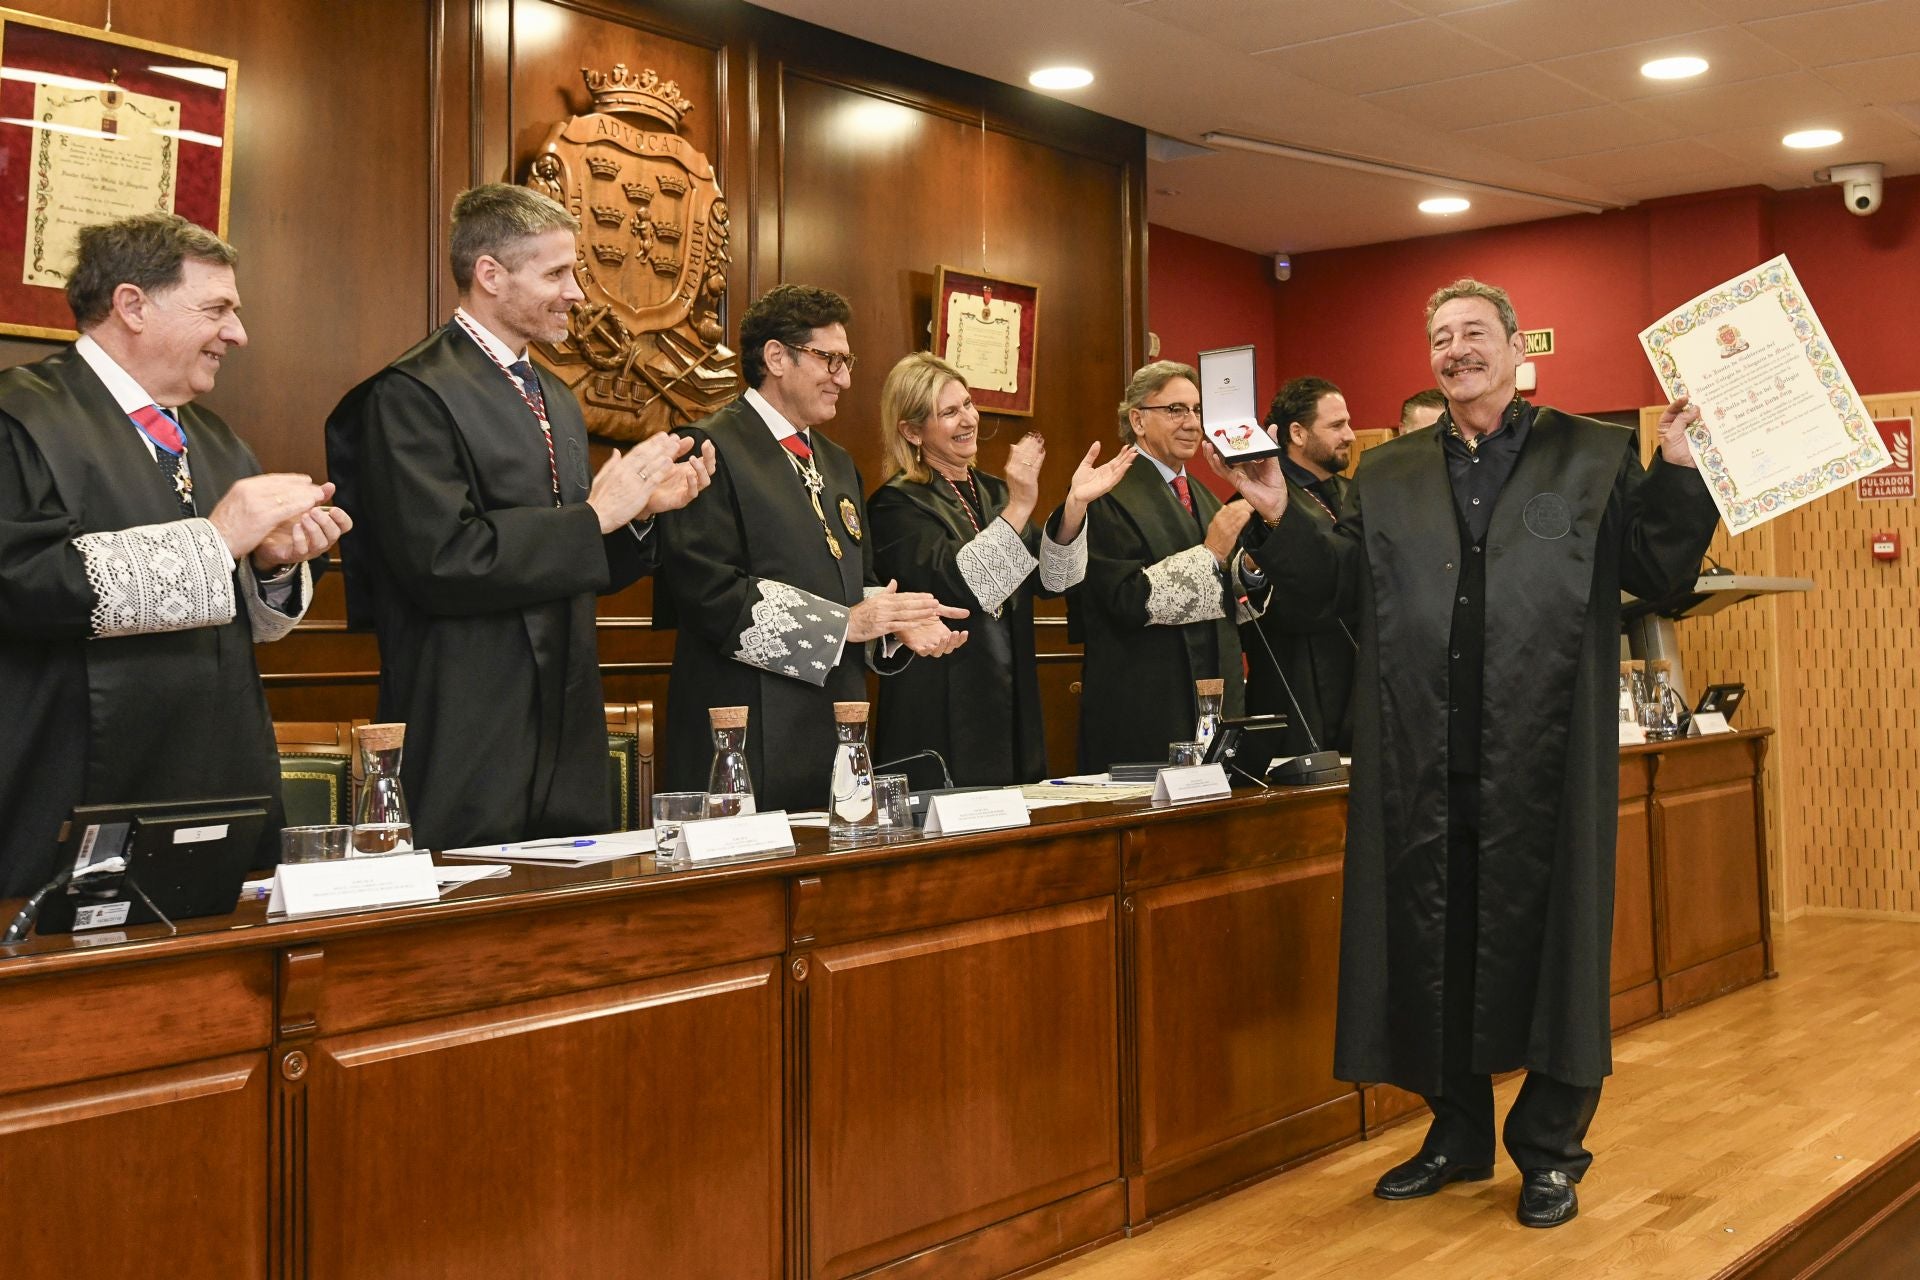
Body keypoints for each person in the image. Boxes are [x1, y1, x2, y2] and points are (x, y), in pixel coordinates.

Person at [1213, 279, 1721, 1228]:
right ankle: (1454, 1133)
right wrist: (1281, 513)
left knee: (1554, 937)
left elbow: (1656, 573)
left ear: (1519, 346)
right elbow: (1332, 595)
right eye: (1440, 338)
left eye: (1475, 333)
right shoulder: (1390, 473)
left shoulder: (1593, 453)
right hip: (1420, 748)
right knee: (1430, 937)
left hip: (1547, 749)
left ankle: (1550, 1151)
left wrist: (1682, 467)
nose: (1456, 350)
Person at [326, 184, 713, 850]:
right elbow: (442, 561)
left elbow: (575, 563)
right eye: (557, 273)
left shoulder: (555, 398)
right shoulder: (408, 395)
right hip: (468, 720)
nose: (577, 294)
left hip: (566, 716)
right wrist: (596, 518)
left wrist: (640, 517)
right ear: (490, 275)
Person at [0, 212, 347, 896]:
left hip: (222, 782)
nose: (238, 334)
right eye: (216, 309)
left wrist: (273, 564)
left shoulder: (215, 439)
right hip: (73, 781)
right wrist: (218, 540)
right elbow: (21, 584)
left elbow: (244, 615)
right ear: (132, 305)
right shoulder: (19, 419)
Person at [653, 285, 968, 809]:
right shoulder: (708, 447)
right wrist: (850, 624)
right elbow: (707, 593)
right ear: (776, 357)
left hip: (836, 732)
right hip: (743, 734)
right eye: (831, 360)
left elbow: (851, 584)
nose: (844, 378)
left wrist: (893, 621)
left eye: (847, 361)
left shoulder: (838, 462)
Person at [868, 353, 1135, 785]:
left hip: (1012, 693)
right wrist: (1021, 506)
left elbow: (1050, 581)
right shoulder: (895, 504)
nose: (968, 419)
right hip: (943, 705)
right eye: (949, 412)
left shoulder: (993, 491)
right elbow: (963, 586)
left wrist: (1074, 507)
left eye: (968, 404)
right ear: (912, 430)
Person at [1069, 360, 1268, 773]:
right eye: (1176, 410)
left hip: (1212, 697)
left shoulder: (1203, 495)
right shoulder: (1107, 494)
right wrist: (1211, 553)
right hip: (1145, 701)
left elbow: (1237, 604)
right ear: (1138, 420)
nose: (1192, 423)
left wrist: (1249, 570)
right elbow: (1124, 600)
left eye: (1197, 410)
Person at [1241, 376, 1357, 756]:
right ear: (1298, 433)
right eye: (1337, 425)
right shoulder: (1258, 499)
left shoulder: (1350, 492)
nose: (1351, 435)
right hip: (1294, 679)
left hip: (1352, 675)